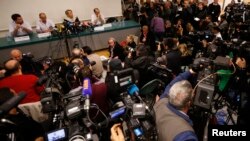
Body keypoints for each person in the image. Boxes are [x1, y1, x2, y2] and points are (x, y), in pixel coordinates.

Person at [155, 69, 198, 141]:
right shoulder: (186, 136)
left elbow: (171, 84)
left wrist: (190, 71)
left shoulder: (162, 101)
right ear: (189, 103)